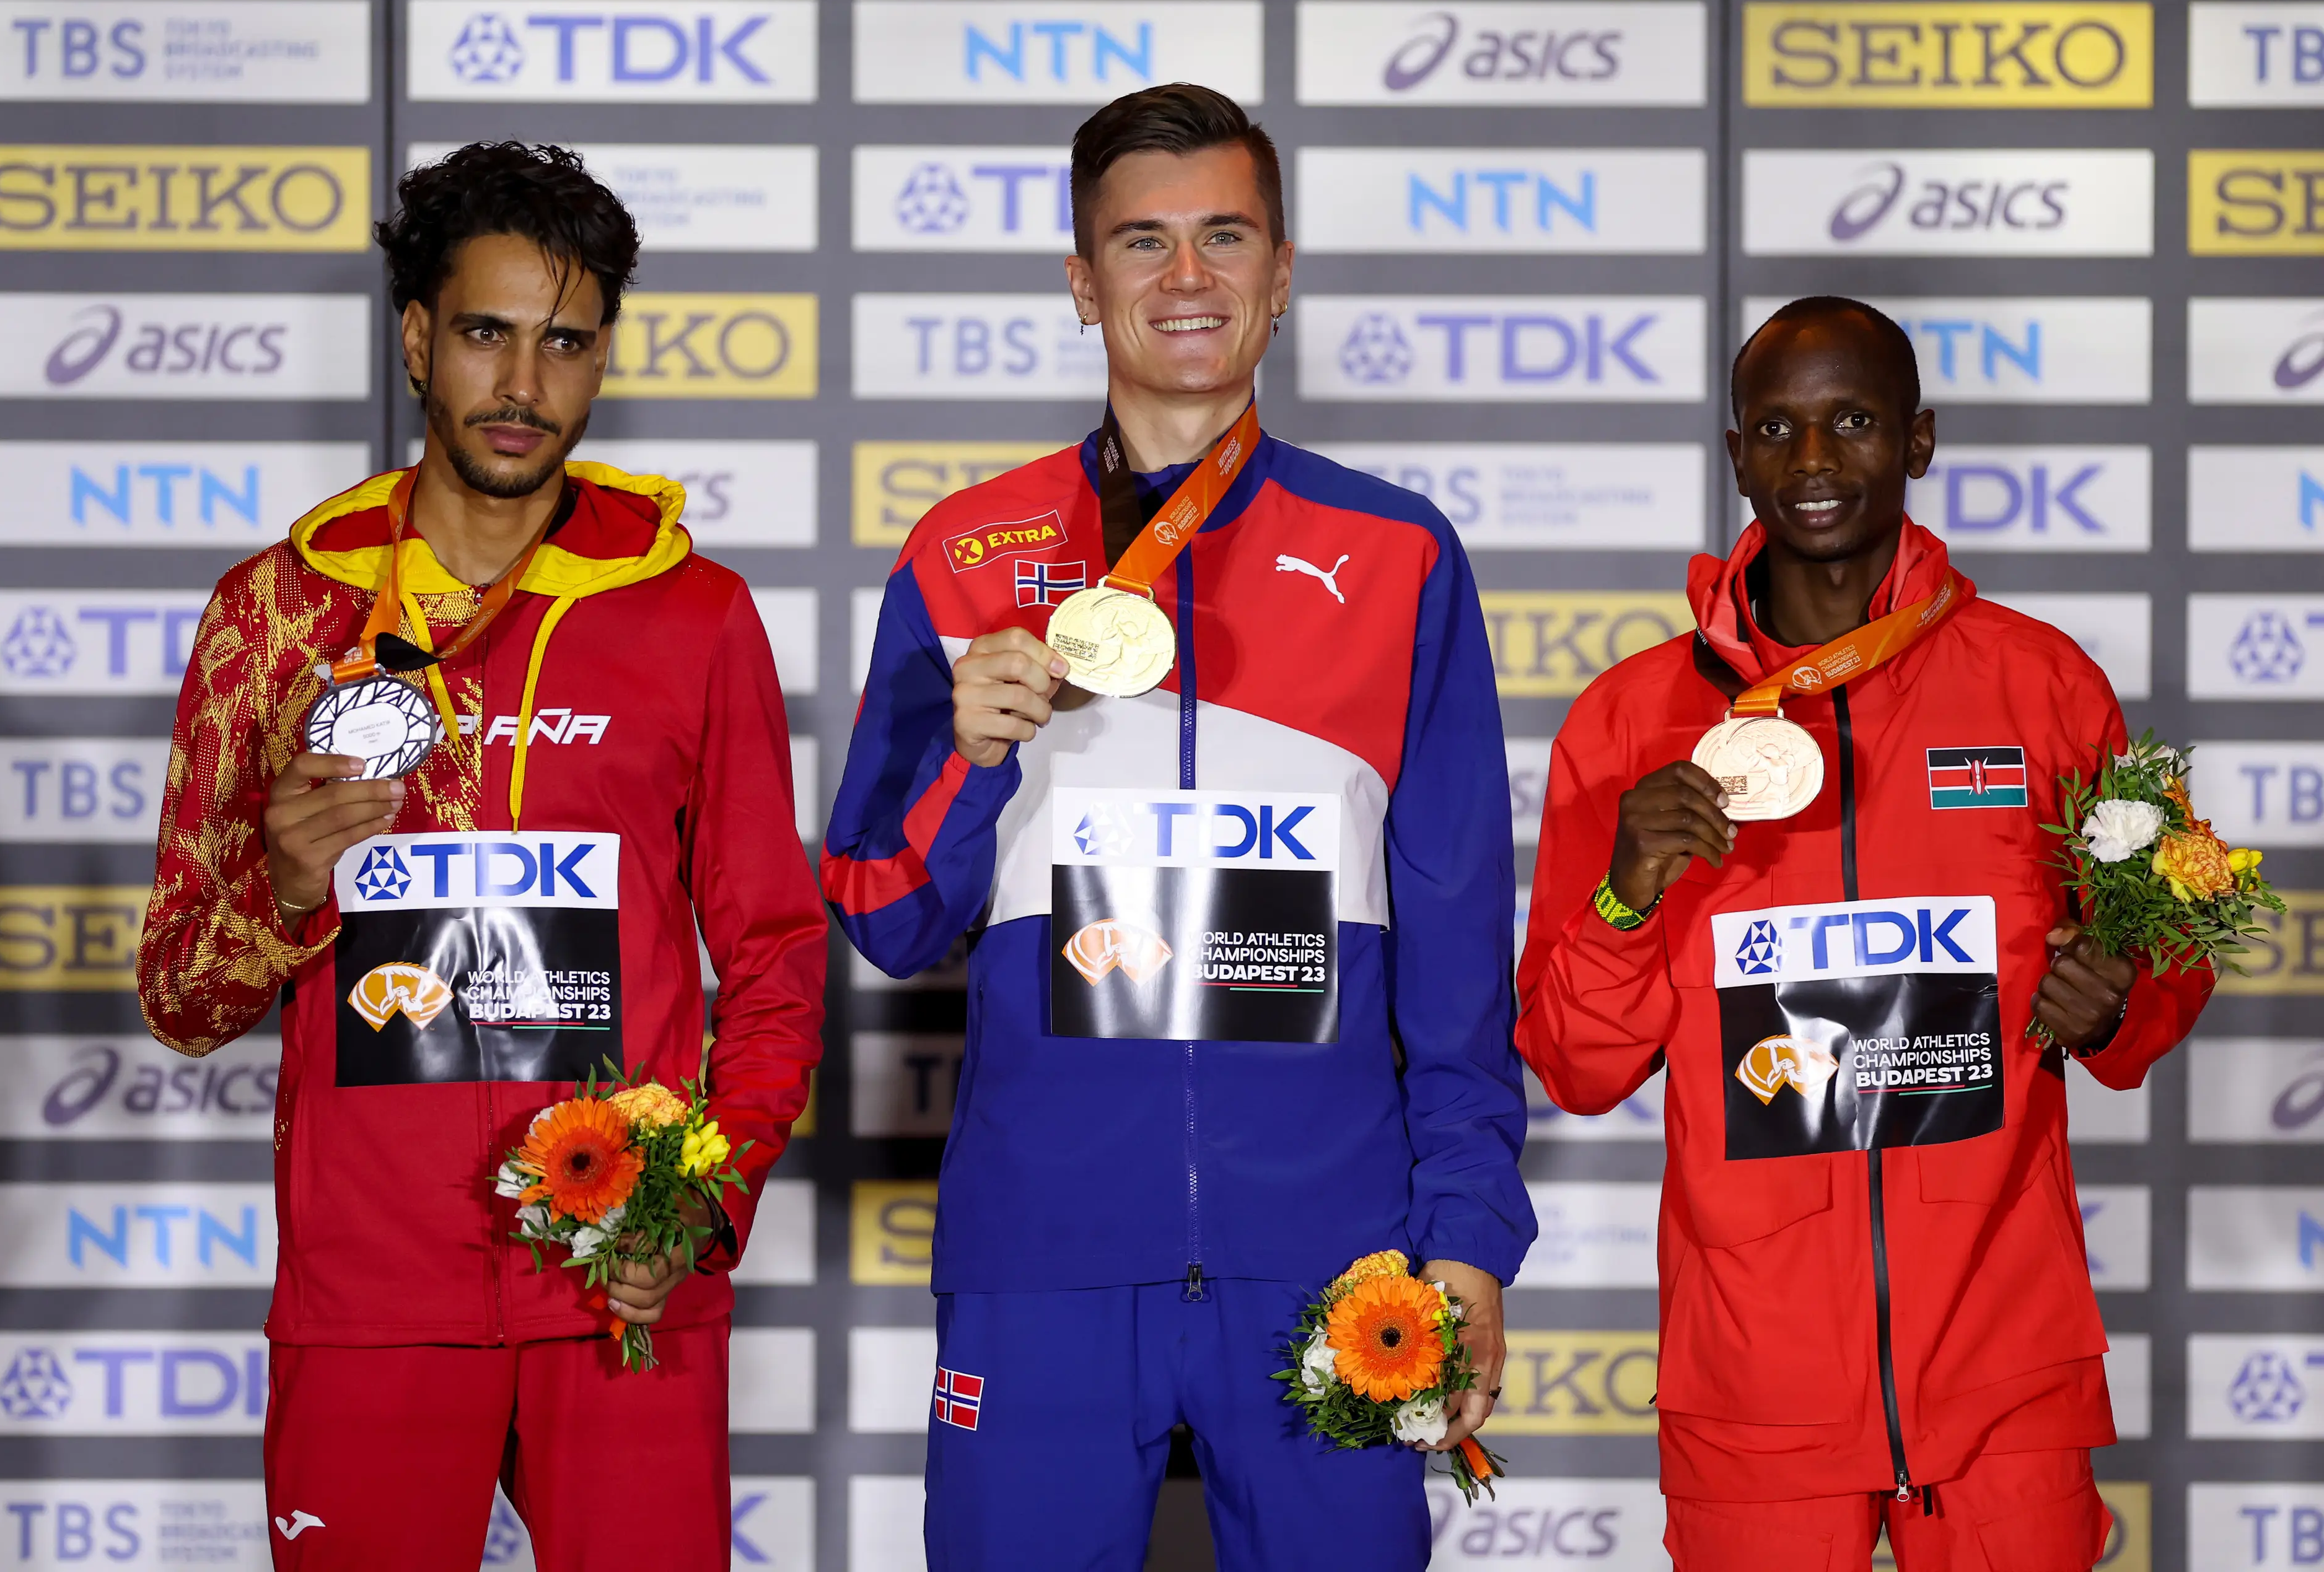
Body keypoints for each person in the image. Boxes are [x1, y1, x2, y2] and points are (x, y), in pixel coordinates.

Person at [821, 84, 1534, 1571]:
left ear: (1282, 272)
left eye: (1226, 235)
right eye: (1141, 242)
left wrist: (1464, 1234)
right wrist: (969, 756)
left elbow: (1461, 956)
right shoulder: (966, 556)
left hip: (1333, 1264)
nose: (1187, 278)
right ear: (1083, 283)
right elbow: (888, 913)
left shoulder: (1399, 553)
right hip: (1046, 1260)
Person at [138, 141, 825, 1571]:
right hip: (374, 1292)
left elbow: (773, 952)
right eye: (487, 333)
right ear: (416, 339)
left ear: (603, 357)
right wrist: (287, 890)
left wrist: (703, 1209)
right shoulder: (275, 616)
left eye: (566, 341)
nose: (524, 384)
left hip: (620, 1275)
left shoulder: (695, 613)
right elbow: (181, 995)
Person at [1515, 295, 2212, 1571]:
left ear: (1921, 440)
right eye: (1777, 428)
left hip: (2007, 1373)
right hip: (1753, 1390)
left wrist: (2117, 1002)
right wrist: (1623, 893)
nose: (1817, 461)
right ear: (1737, 456)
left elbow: (2171, 938)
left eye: (1854, 421)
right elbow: (1576, 1059)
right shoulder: (1631, 721)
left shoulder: (2045, 687)